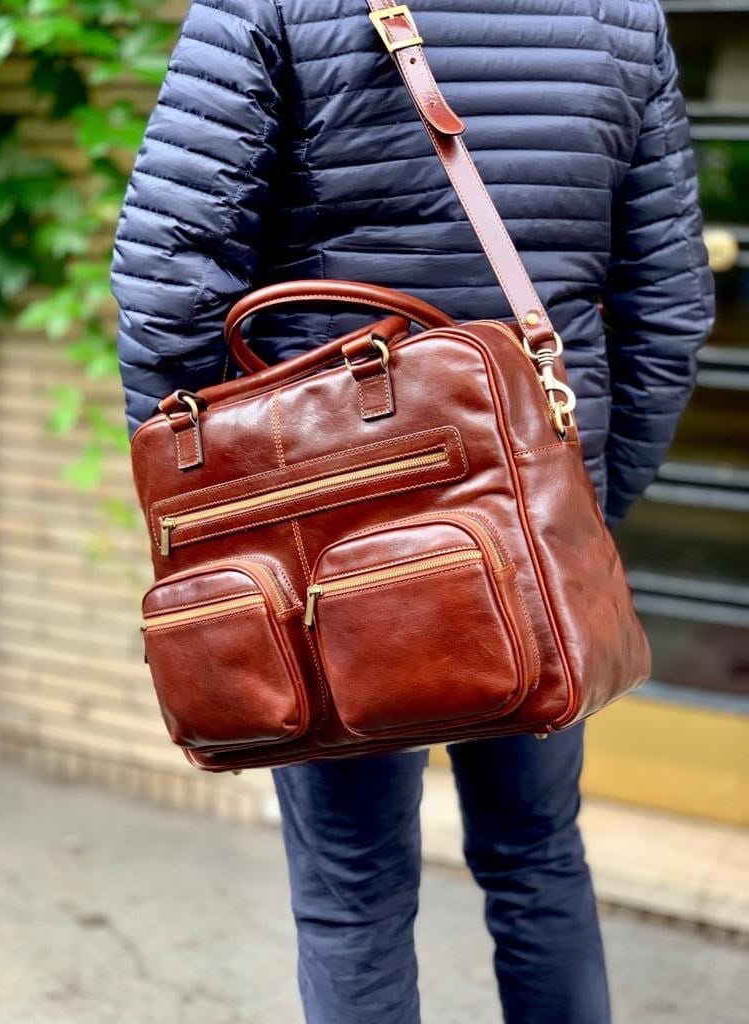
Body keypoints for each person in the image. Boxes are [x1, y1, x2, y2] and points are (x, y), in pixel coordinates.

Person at [110, 2, 714, 1021]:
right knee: (537, 857)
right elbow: (667, 308)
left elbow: (169, 276)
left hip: (321, 540)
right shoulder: (621, 15)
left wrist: (216, 513)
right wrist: (579, 512)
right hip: (534, 526)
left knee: (352, 892)